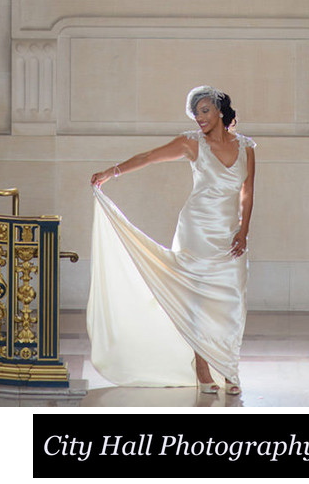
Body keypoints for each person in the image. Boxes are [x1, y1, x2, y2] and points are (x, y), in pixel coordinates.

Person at [89, 85, 256, 396]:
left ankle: (229, 365)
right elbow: (150, 157)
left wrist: (243, 230)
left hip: (229, 234)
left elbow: (247, 193)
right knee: (197, 299)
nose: (199, 118)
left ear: (220, 111)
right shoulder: (191, 143)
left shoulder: (247, 147)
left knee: (233, 300)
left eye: (205, 111)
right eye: (196, 113)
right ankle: (203, 367)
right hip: (196, 230)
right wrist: (112, 172)